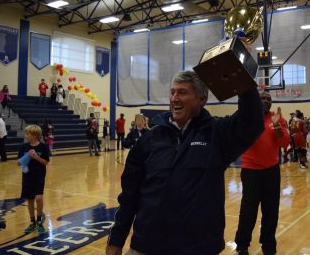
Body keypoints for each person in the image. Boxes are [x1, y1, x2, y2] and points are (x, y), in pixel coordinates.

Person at [106, 70, 264, 255]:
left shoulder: (217, 135)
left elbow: (251, 122)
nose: (174, 98)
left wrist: (237, 71)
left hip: (198, 248)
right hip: (146, 246)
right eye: (172, 92)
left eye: (182, 92)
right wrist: (116, 239)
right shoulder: (149, 140)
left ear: (201, 99)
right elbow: (129, 196)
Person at [235, 91, 289, 255]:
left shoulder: (278, 120)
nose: (266, 101)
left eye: (269, 99)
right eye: (262, 99)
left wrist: (277, 126)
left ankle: (268, 245)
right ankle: (242, 245)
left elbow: (284, 143)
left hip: (271, 171)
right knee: (248, 211)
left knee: (271, 210)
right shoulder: (247, 117)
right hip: (251, 171)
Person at [18, 125, 50, 234]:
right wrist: (25, 159)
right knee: (30, 199)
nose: (26, 135)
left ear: (35, 135)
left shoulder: (43, 147)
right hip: (27, 177)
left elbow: (46, 162)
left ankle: (39, 221)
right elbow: (19, 162)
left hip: (39, 176)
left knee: (39, 198)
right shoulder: (24, 147)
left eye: (28, 134)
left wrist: (36, 157)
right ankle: (32, 222)